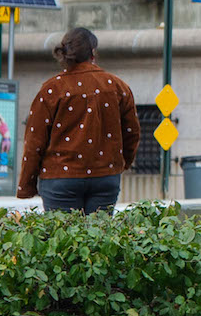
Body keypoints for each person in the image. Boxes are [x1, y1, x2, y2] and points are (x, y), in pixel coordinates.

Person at [16, 28, 141, 213]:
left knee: (64, 239)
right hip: (105, 175)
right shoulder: (117, 86)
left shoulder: (52, 89)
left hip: (60, 176)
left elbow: (35, 141)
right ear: (93, 53)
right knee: (98, 237)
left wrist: (26, 185)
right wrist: (121, 163)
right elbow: (132, 132)